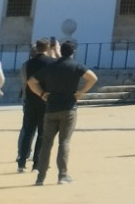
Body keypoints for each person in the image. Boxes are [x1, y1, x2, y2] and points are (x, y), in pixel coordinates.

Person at [28, 39, 95, 185]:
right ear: (73, 52)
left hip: (51, 108)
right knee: (64, 142)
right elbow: (92, 78)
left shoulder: (51, 66)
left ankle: (41, 177)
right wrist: (81, 92)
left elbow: (32, 81)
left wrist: (42, 94)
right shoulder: (76, 66)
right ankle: (62, 175)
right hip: (68, 108)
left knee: (46, 143)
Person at [16, 40, 53, 173]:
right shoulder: (51, 63)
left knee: (28, 131)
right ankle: (36, 164)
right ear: (48, 48)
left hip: (30, 100)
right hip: (46, 101)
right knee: (42, 133)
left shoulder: (27, 64)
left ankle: (21, 162)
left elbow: (25, 83)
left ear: (36, 48)